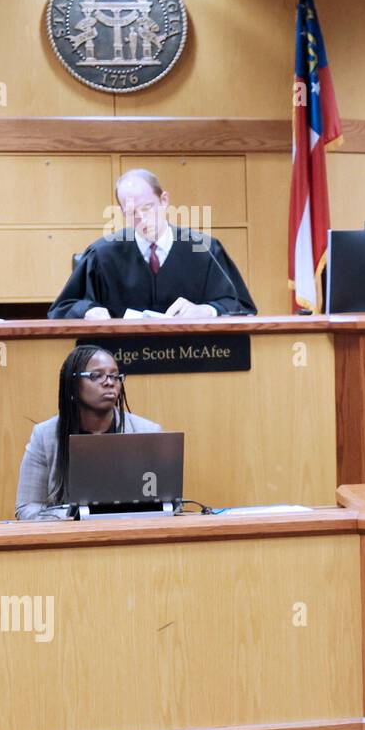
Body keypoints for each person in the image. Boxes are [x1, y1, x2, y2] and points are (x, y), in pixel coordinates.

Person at [48, 168, 257, 319]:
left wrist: (209, 310)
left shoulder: (204, 249)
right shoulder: (102, 255)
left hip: (195, 357)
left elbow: (241, 306)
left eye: (148, 208)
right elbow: (62, 308)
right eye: (131, 212)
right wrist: (88, 311)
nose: (142, 218)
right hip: (123, 359)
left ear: (164, 200)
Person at [16, 344, 161, 520]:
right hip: (69, 541)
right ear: (73, 385)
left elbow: (160, 505)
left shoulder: (147, 433)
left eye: (114, 376)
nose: (109, 382)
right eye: (96, 375)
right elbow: (26, 508)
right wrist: (73, 516)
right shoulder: (45, 436)